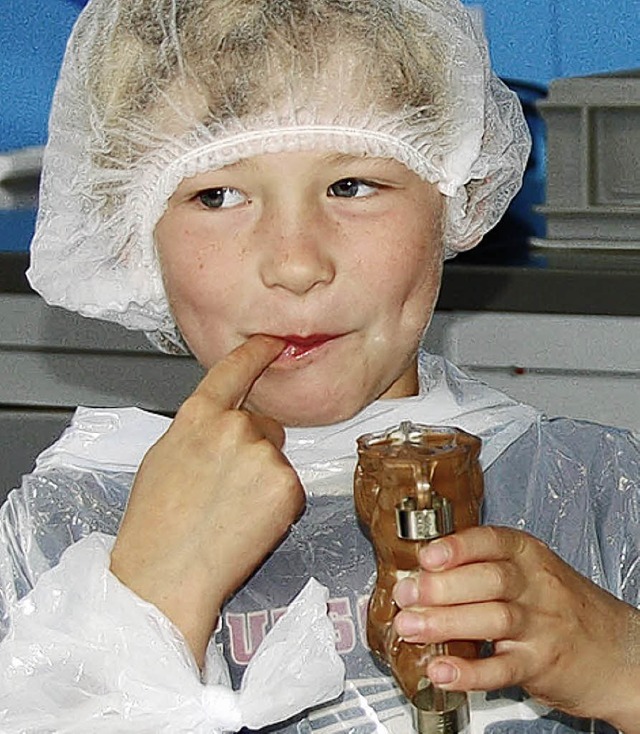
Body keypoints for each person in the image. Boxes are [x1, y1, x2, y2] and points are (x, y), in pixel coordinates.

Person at [1, 0, 639, 731]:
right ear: (130, 231)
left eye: (351, 186)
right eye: (218, 194)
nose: (297, 263)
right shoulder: (67, 537)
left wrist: (621, 664)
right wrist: (149, 598)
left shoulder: (596, 492)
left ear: (453, 195)